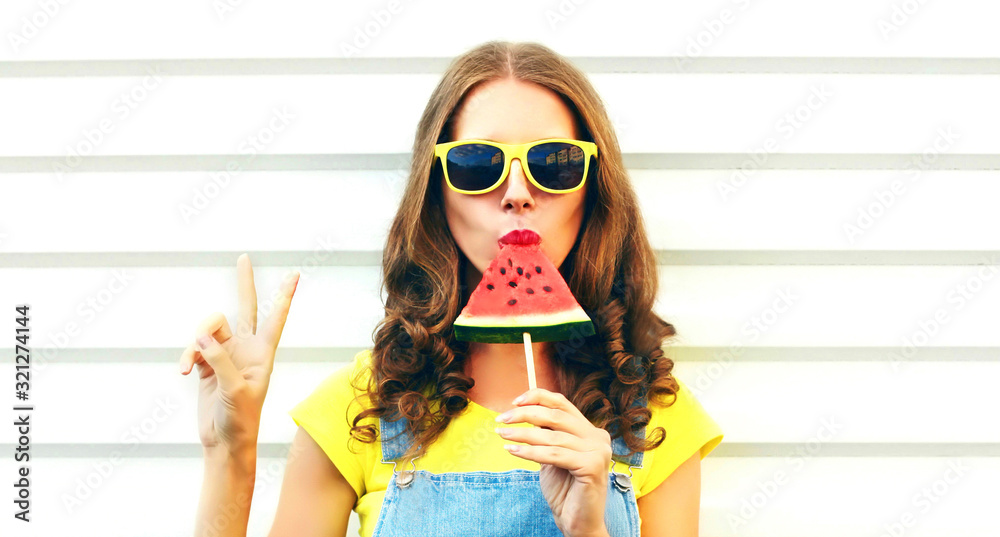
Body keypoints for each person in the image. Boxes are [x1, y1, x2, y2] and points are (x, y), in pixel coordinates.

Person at [180, 40, 724, 537]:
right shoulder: (361, 405)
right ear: (437, 193)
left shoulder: (654, 418)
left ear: (593, 192)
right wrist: (231, 452)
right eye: (476, 164)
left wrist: (588, 530)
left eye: (553, 164)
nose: (517, 194)